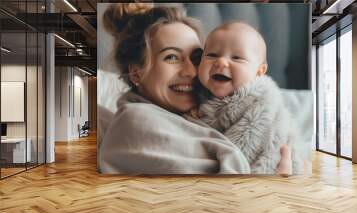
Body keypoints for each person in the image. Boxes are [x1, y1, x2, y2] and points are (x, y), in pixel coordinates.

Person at [99, 3, 251, 174]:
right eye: (171, 57)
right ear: (136, 73)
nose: (191, 71)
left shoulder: (211, 113)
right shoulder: (136, 121)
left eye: (196, 58)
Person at [195, 22, 306, 175]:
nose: (220, 62)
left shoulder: (261, 103)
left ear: (259, 72)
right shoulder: (195, 96)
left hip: (269, 165)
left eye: (237, 57)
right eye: (211, 55)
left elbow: (243, 152)